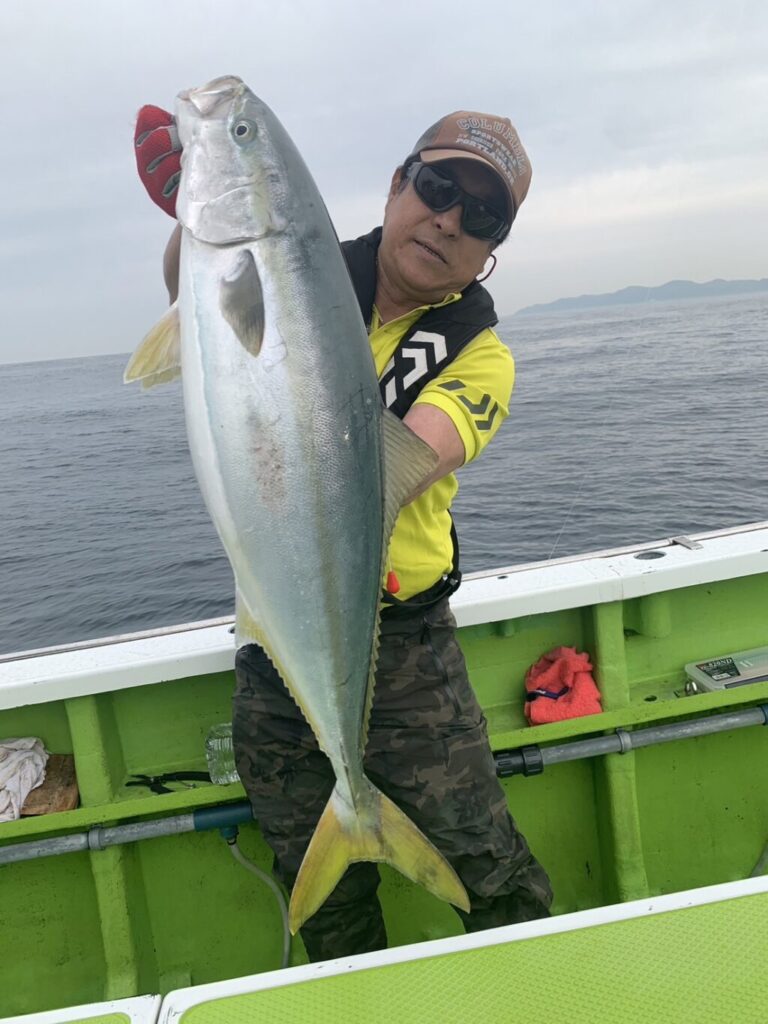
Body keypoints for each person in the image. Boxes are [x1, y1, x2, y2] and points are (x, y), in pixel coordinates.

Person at [135, 104, 552, 961]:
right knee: (327, 911)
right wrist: (191, 213)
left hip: (408, 661)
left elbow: (394, 470)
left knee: (492, 873)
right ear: (398, 185)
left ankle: (534, 987)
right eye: (437, 187)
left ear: (491, 250)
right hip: (275, 651)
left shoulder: (480, 357)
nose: (448, 219)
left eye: (481, 215)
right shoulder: (304, 269)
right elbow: (204, 293)